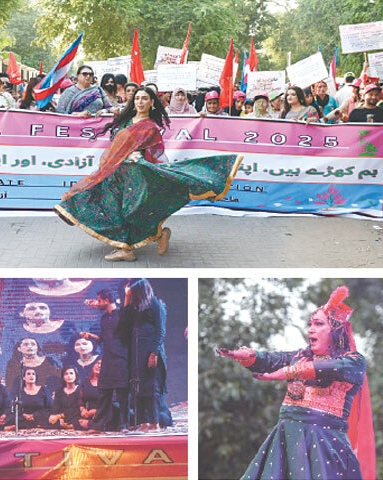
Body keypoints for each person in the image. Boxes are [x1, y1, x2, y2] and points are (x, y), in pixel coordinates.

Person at [54, 85, 243, 262]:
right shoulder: (126, 120)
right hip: (116, 172)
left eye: (145, 98)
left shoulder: (150, 127)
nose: (140, 102)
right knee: (105, 203)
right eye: (137, 98)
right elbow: (116, 145)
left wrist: (139, 156)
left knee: (132, 211)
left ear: (152, 103)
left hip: (136, 174)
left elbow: (155, 155)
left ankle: (136, 245)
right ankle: (141, 241)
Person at [217, 286, 375, 480]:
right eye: (310, 324)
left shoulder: (353, 362)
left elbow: (328, 368)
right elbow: (269, 360)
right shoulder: (300, 356)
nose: (311, 329)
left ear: (336, 330)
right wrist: (249, 356)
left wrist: (285, 373)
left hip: (325, 447)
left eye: (318, 324)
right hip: (287, 442)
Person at [80, 288, 130, 432]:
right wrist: (92, 336)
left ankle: (124, 424)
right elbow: (104, 338)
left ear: (107, 301)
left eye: (100, 300)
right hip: (107, 358)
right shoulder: (103, 318)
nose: (98, 303)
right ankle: (98, 425)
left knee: (122, 394)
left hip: (120, 359)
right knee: (104, 393)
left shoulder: (121, 314)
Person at [127, 279, 171, 432]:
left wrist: (154, 353)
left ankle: (155, 422)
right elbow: (124, 320)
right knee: (138, 388)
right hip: (137, 352)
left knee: (152, 389)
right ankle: (143, 421)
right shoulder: (136, 308)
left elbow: (161, 331)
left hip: (151, 352)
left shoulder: (156, 304)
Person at [77, 358, 104, 430]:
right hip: (88, 414)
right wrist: (83, 410)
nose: (99, 366)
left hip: (103, 413)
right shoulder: (86, 382)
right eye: (97, 363)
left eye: (102, 364)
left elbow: (109, 403)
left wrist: (93, 412)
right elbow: (81, 400)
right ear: (93, 366)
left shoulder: (107, 384)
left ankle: (92, 424)